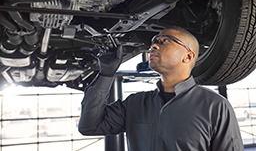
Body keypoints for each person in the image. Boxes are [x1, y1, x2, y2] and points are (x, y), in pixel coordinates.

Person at [78, 27, 244, 151]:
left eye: (164, 41)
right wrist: (106, 74)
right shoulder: (135, 103)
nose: (153, 46)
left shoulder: (215, 106)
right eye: (153, 42)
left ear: (188, 56)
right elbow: (89, 126)